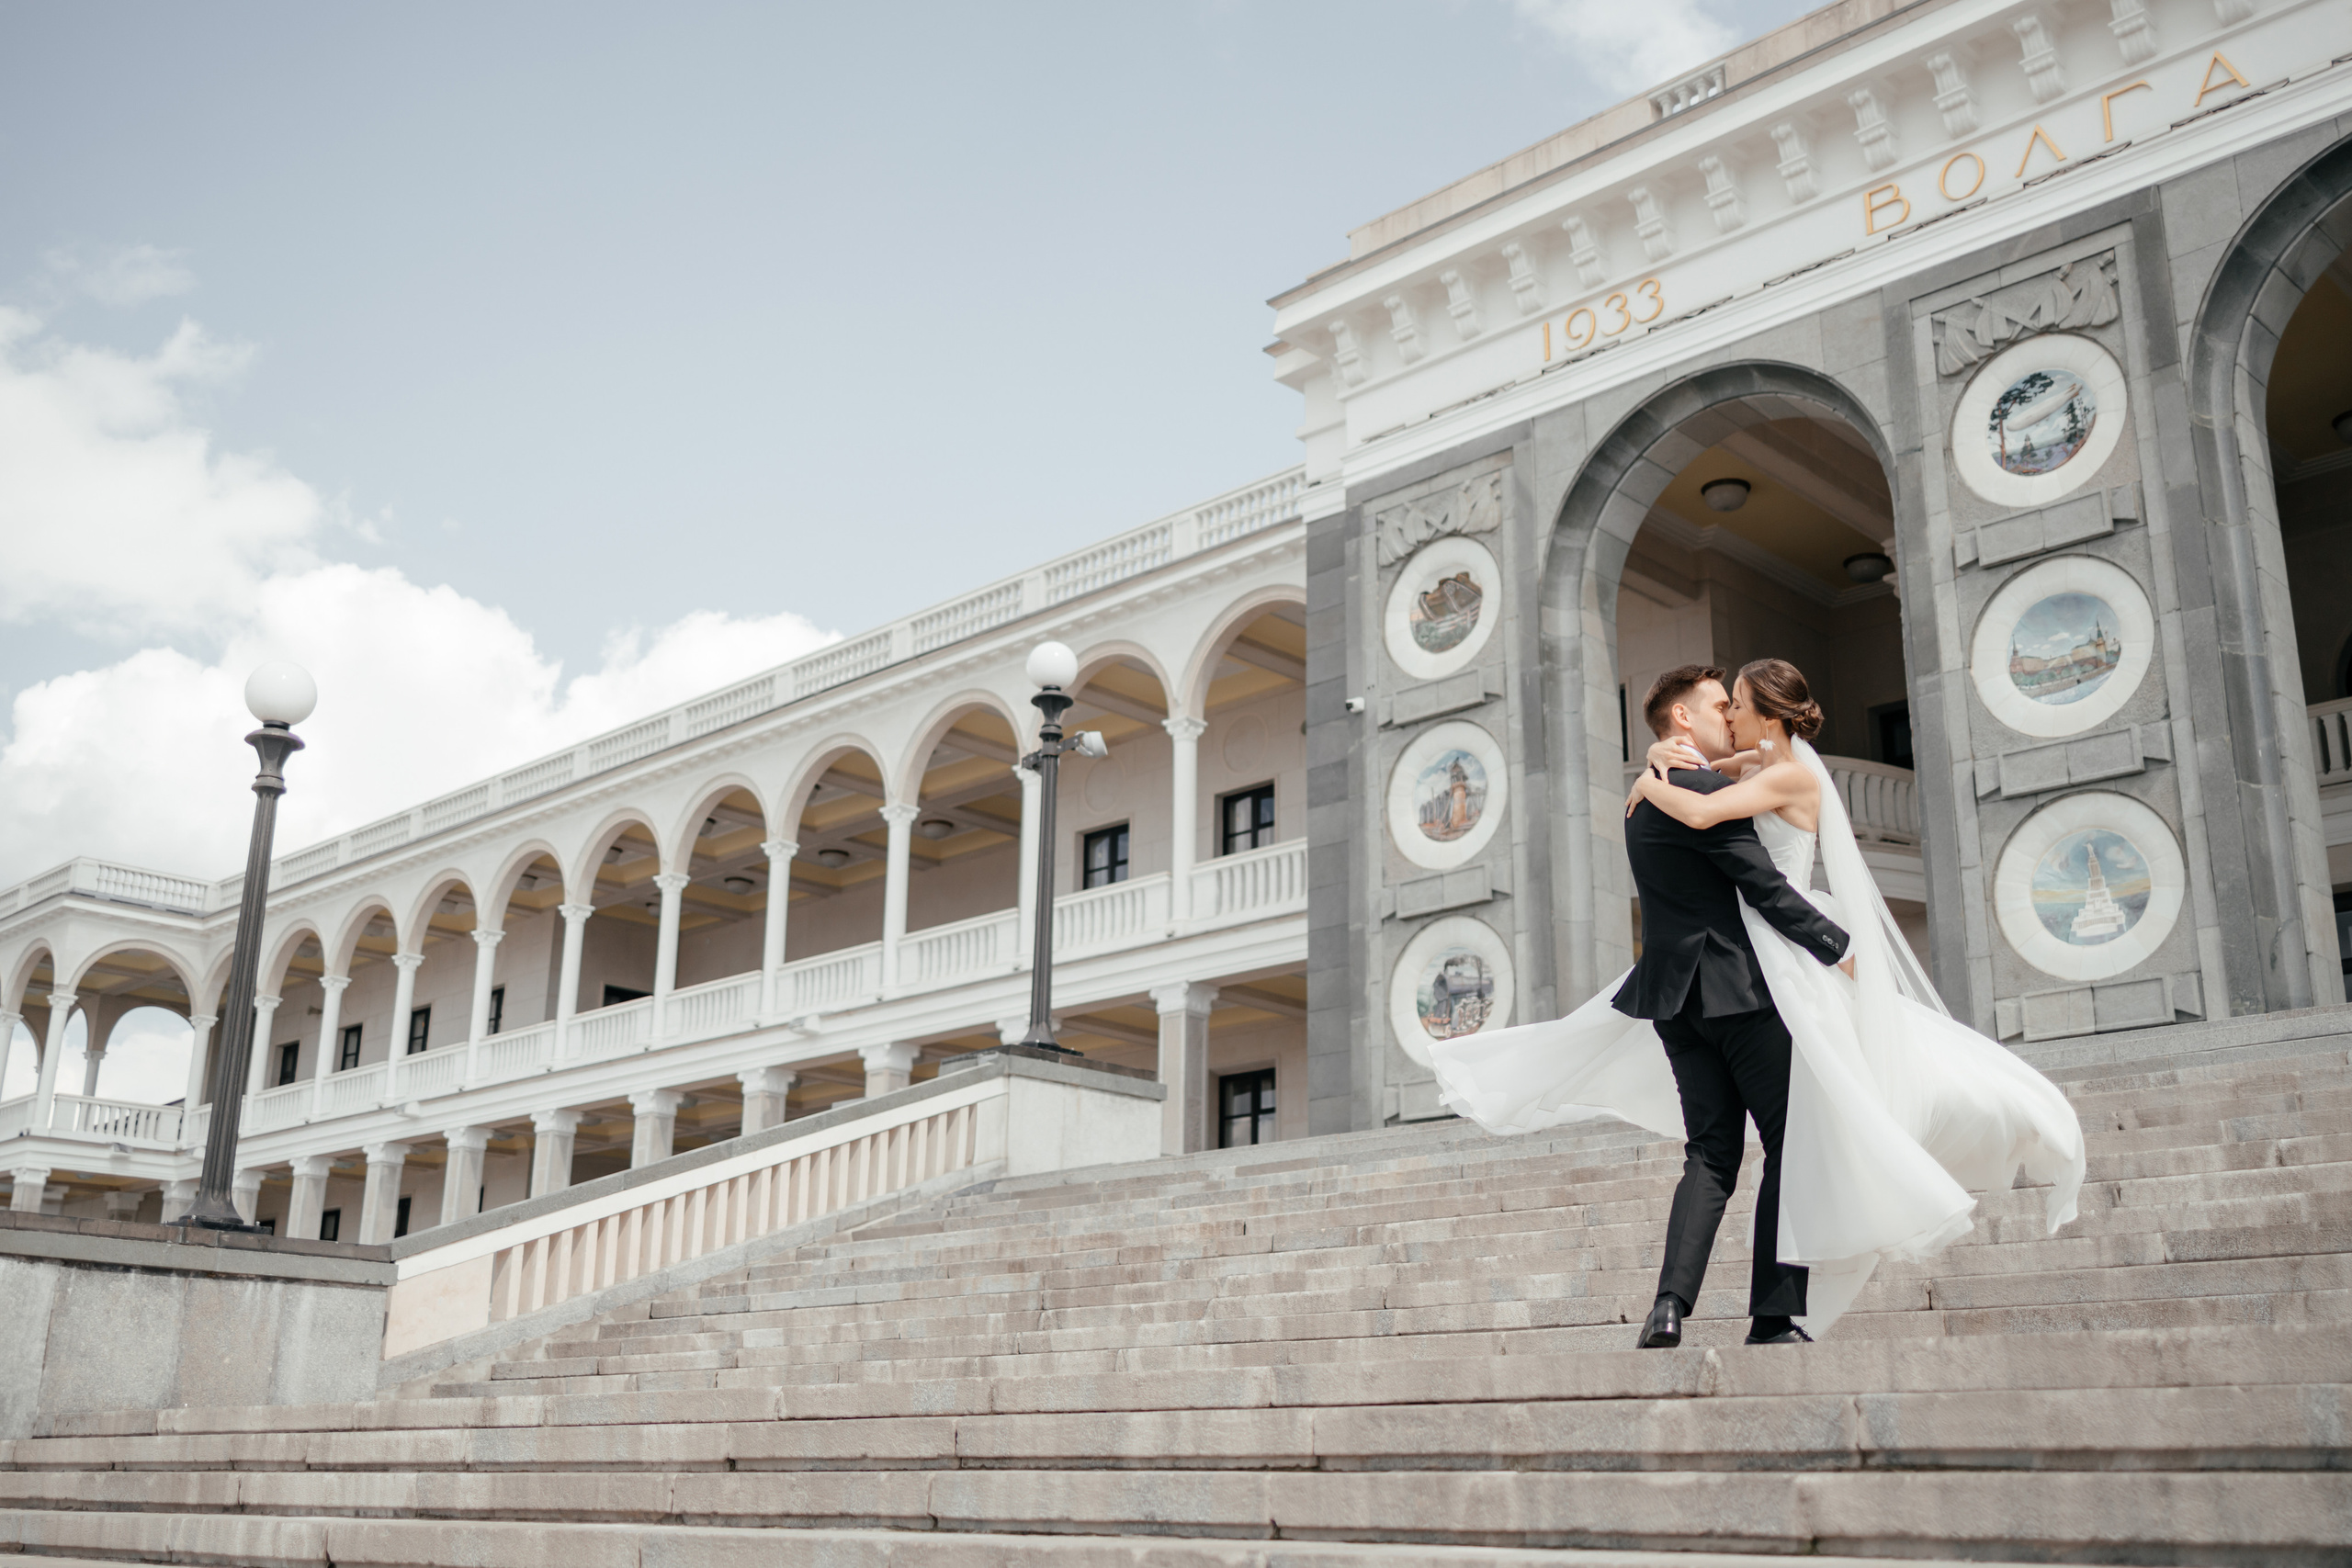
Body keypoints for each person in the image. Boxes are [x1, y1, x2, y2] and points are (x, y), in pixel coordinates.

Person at [1427, 659, 2085, 1346]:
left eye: (1735, 704)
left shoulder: (1652, 799)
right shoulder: (1709, 788)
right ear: (1685, 716)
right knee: (1786, 1145)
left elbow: (1718, 795)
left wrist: (1650, 769)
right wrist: (1842, 951)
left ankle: (1668, 1305)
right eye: (1719, 705)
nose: (1728, 714)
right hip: (1746, 990)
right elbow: (1766, 890)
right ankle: (1771, 1316)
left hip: (1673, 1001)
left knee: (1709, 1153)